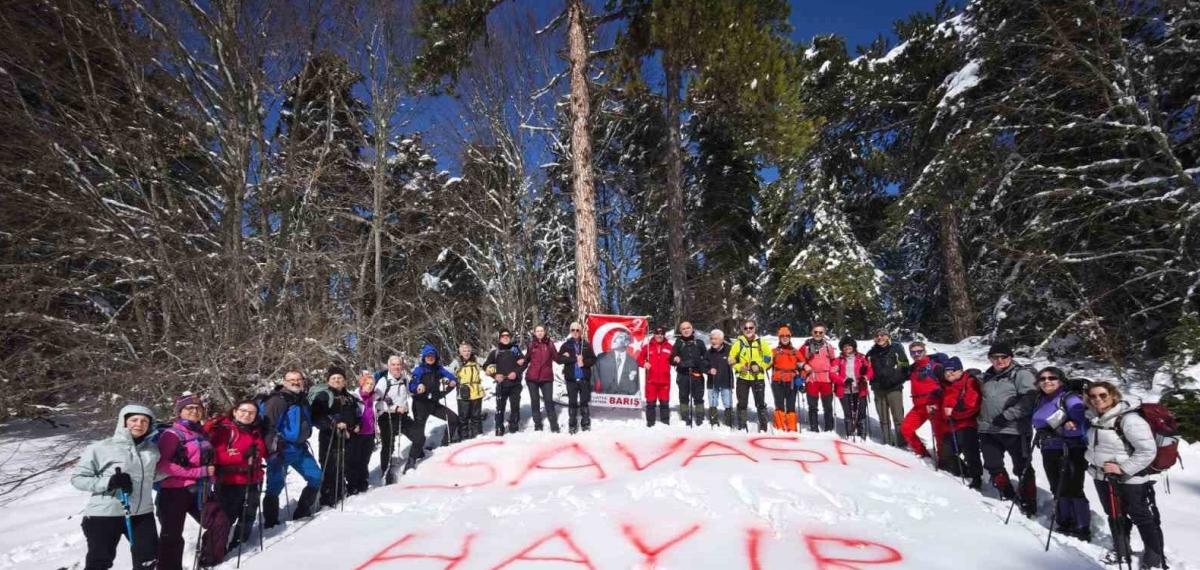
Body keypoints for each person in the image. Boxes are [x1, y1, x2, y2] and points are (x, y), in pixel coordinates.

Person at [1085, 381, 1165, 568]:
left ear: (1113, 395)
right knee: (1114, 514)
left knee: (1141, 516)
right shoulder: (1094, 418)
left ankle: (1154, 557)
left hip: (1131, 479)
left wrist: (1122, 469)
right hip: (1102, 476)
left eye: (1103, 395)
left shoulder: (1129, 420)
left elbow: (1147, 451)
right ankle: (1121, 550)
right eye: (1093, 396)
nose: (1097, 399)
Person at [72, 404, 160, 570]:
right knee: (99, 562)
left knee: (148, 560)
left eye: (144, 421)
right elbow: (78, 479)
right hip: (105, 514)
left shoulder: (152, 450)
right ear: (123, 422)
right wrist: (110, 482)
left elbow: (153, 476)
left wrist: (186, 468)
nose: (139, 424)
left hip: (142, 513)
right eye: (134, 420)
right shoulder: (100, 448)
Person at [156, 393, 228, 570]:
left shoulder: (201, 432)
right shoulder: (171, 434)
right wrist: (198, 472)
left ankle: (209, 561)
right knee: (172, 535)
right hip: (174, 492)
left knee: (219, 521)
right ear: (180, 411)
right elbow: (163, 464)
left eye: (198, 408)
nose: (194, 411)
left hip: (200, 489)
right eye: (189, 408)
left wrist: (210, 475)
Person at [978, 341, 1039, 516]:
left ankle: (1029, 499)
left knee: (1022, 466)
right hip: (988, 429)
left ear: (1010, 357)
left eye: (1003, 357)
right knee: (992, 464)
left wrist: (1007, 415)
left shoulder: (1021, 374)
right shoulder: (987, 376)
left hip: (1014, 429)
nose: (999, 360)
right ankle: (1006, 492)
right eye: (994, 357)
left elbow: (1030, 399)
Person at [1032, 366, 1090, 541]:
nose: (1047, 381)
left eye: (1052, 378)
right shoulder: (1040, 399)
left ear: (1061, 381)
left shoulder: (1069, 398)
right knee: (1056, 485)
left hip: (1071, 449)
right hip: (1049, 448)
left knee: (1074, 487)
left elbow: (1080, 421)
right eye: (1042, 379)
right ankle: (1064, 520)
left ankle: (1081, 526)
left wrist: (1067, 424)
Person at [260, 370, 322, 527]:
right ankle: (271, 523)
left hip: (300, 448)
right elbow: (267, 426)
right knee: (275, 486)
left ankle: (302, 512)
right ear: (284, 382)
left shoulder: (302, 399)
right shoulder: (277, 400)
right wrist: (271, 450)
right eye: (291, 380)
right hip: (281, 449)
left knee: (316, 477)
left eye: (298, 379)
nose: (295, 382)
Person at [205, 400, 267, 554]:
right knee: (225, 518)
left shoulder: (255, 430)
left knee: (248, 515)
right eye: (243, 411)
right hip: (230, 481)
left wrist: (272, 449)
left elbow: (262, 451)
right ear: (235, 411)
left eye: (251, 413)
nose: (247, 415)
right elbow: (216, 455)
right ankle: (211, 553)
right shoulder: (224, 430)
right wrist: (242, 455)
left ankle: (239, 544)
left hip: (253, 479)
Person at [310, 367, 360, 508]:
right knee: (330, 467)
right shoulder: (323, 396)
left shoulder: (349, 397)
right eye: (334, 378)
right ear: (328, 381)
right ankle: (328, 499)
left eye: (340, 378)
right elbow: (316, 416)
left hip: (347, 436)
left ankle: (341, 491)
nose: (337, 380)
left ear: (344, 381)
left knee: (345, 465)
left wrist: (356, 424)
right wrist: (333, 424)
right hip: (329, 437)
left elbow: (355, 414)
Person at [936, 358, 983, 489]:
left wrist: (954, 411)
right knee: (946, 451)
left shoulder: (969, 381)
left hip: (967, 424)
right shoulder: (946, 385)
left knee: (970, 452)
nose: (949, 373)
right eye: (946, 371)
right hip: (951, 424)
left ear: (961, 370)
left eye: (953, 370)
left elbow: (972, 403)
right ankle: (963, 471)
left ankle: (976, 478)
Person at [373, 355, 414, 485]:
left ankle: (414, 459)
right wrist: (394, 408)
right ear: (389, 366)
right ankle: (385, 472)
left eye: (398, 365)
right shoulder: (383, 381)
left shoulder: (404, 379)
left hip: (402, 415)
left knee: (418, 435)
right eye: (393, 365)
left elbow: (410, 393)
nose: (396, 367)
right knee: (388, 445)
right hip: (386, 417)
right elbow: (376, 403)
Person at [898, 342, 943, 458]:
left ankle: (944, 460)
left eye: (919, 351)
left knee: (939, 435)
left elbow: (947, 385)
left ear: (925, 351)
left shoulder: (935, 367)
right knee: (906, 428)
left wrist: (938, 400)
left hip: (933, 406)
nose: (916, 354)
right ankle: (923, 453)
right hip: (919, 407)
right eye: (913, 352)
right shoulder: (913, 368)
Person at [866, 329, 909, 446]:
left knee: (898, 417)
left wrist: (894, 380)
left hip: (894, 388)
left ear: (888, 337)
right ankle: (887, 441)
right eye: (877, 336)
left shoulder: (897, 349)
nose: (880, 337)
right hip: (878, 389)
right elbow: (868, 370)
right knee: (883, 417)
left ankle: (901, 442)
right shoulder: (871, 353)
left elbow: (905, 367)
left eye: (882, 335)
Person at [728, 320, 772, 432]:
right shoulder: (738, 343)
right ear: (742, 330)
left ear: (754, 329)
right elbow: (731, 359)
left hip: (758, 377)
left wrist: (760, 367)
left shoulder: (761, 343)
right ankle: (742, 425)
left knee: (760, 402)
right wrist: (740, 367)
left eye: (751, 328)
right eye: (746, 328)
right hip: (743, 377)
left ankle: (763, 426)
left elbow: (769, 358)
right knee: (742, 402)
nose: (748, 330)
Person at [556, 322, 598, 434]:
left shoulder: (586, 345)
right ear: (570, 331)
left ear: (581, 332)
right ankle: (572, 424)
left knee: (584, 401)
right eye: (573, 330)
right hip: (571, 379)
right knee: (572, 402)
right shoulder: (566, 345)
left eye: (577, 330)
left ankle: (585, 423)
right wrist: (572, 359)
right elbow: (559, 359)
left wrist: (584, 362)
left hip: (584, 378)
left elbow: (593, 359)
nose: (575, 332)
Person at [484, 329, 527, 435]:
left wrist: (516, 373)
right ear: (500, 338)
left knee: (515, 406)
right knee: (500, 408)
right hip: (501, 384)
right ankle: (499, 428)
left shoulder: (516, 350)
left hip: (515, 384)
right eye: (503, 336)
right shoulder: (495, 352)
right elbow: (485, 366)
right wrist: (495, 375)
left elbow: (524, 364)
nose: (506, 337)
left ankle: (514, 427)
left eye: (507, 335)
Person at [831, 337, 873, 439]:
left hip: (860, 388)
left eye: (849, 346)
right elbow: (832, 373)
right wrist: (843, 380)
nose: (847, 348)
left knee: (861, 411)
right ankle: (849, 433)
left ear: (853, 346)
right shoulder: (838, 360)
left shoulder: (861, 358)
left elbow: (870, 370)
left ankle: (862, 433)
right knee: (848, 412)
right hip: (844, 390)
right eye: (844, 346)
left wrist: (865, 377)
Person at [800, 324, 839, 433]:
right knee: (812, 405)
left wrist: (834, 368)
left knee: (827, 405)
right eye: (815, 332)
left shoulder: (828, 346)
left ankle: (829, 428)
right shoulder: (805, 346)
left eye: (820, 332)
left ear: (824, 333)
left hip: (826, 379)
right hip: (812, 378)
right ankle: (814, 427)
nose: (818, 334)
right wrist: (804, 366)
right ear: (812, 333)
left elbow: (833, 360)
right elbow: (798, 360)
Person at [671, 321, 708, 427]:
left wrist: (699, 364)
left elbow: (706, 358)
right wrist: (675, 359)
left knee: (698, 397)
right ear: (680, 331)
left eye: (688, 328)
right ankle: (685, 416)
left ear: (692, 329)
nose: (686, 330)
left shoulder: (699, 343)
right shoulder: (678, 343)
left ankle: (700, 417)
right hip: (683, 374)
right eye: (683, 329)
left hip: (697, 374)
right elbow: (672, 359)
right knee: (683, 396)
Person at [346, 372, 377, 495]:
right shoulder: (354, 397)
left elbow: (376, 411)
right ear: (362, 384)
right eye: (367, 383)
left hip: (370, 433)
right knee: (355, 459)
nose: (369, 386)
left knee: (365, 459)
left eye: (372, 384)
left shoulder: (373, 398)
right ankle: (352, 484)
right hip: (357, 433)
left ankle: (363, 481)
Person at [524, 325, 560, 432]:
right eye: (537, 331)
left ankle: (554, 425)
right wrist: (517, 368)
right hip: (532, 378)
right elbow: (526, 359)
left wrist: (567, 356)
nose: (539, 332)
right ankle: (538, 424)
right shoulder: (531, 345)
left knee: (548, 401)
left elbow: (557, 358)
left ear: (544, 332)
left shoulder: (550, 344)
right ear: (534, 333)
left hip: (546, 378)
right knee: (535, 401)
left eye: (541, 330)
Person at [769, 326, 804, 432]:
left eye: (787, 336)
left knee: (791, 404)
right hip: (778, 380)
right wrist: (766, 361)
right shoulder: (774, 351)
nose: (785, 338)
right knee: (779, 404)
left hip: (792, 381)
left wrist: (801, 378)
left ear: (790, 337)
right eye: (782, 336)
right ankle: (779, 427)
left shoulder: (795, 352)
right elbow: (766, 365)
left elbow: (804, 366)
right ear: (779, 338)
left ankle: (791, 427)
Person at [638, 326, 674, 426]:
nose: (659, 336)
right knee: (650, 404)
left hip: (665, 381)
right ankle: (650, 422)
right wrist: (644, 363)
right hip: (651, 381)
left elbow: (674, 359)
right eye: (657, 334)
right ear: (654, 334)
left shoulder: (669, 347)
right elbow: (639, 359)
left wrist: (676, 359)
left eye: (662, 334)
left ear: (664, 335)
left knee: (664, 403)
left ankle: (665, 421)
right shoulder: (647, 347)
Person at [451, 343, 486, 439]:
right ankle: (464, 437)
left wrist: (491, 369)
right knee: (463, 417)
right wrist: (447, 380)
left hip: (476, 392)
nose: (466, 353)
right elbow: (448, 373)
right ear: (460, 352)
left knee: (476, 416)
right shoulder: (457, 362)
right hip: (463, 393)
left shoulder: (476, 360)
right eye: (464, 351)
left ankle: (477, 435)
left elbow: (488, 364)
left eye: (468, 351)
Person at [594, 330, 640, 395]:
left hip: (625, 398)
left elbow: (635, 385)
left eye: (619, 337)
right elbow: (594, 378)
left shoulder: (633, 362)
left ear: (626, 342)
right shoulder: (601, 358)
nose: (614, 339)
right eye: (614, 336)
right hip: (604, 398)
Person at [706, 329, 735, 428]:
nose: (713, 341)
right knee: (713, 402)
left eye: (716, 339)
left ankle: (728, 421)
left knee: (728, 402)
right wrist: (709, 370)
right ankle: (713, 421)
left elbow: (739, 360)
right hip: (712, 382)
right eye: (712, 339)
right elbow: (703, 365)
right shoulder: (708, 352)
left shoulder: (730, 350)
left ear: (722, 340)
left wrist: (734, 361)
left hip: (726, 381)